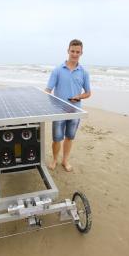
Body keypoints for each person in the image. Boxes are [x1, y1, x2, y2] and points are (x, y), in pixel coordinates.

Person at [45, 39, 91, 172]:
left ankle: (65, 160)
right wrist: (43, 99)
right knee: (57, 138)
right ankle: (54, 159)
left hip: (75, 111)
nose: (75, 54)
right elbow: (48, 90)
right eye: (72, 51)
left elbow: (88, 93)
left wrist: (79, 96)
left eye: (78, 52)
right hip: (58, 110)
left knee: (69, 137)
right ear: (68, 51)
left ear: (81, 53)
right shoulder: (58, 70)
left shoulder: (84, 72)